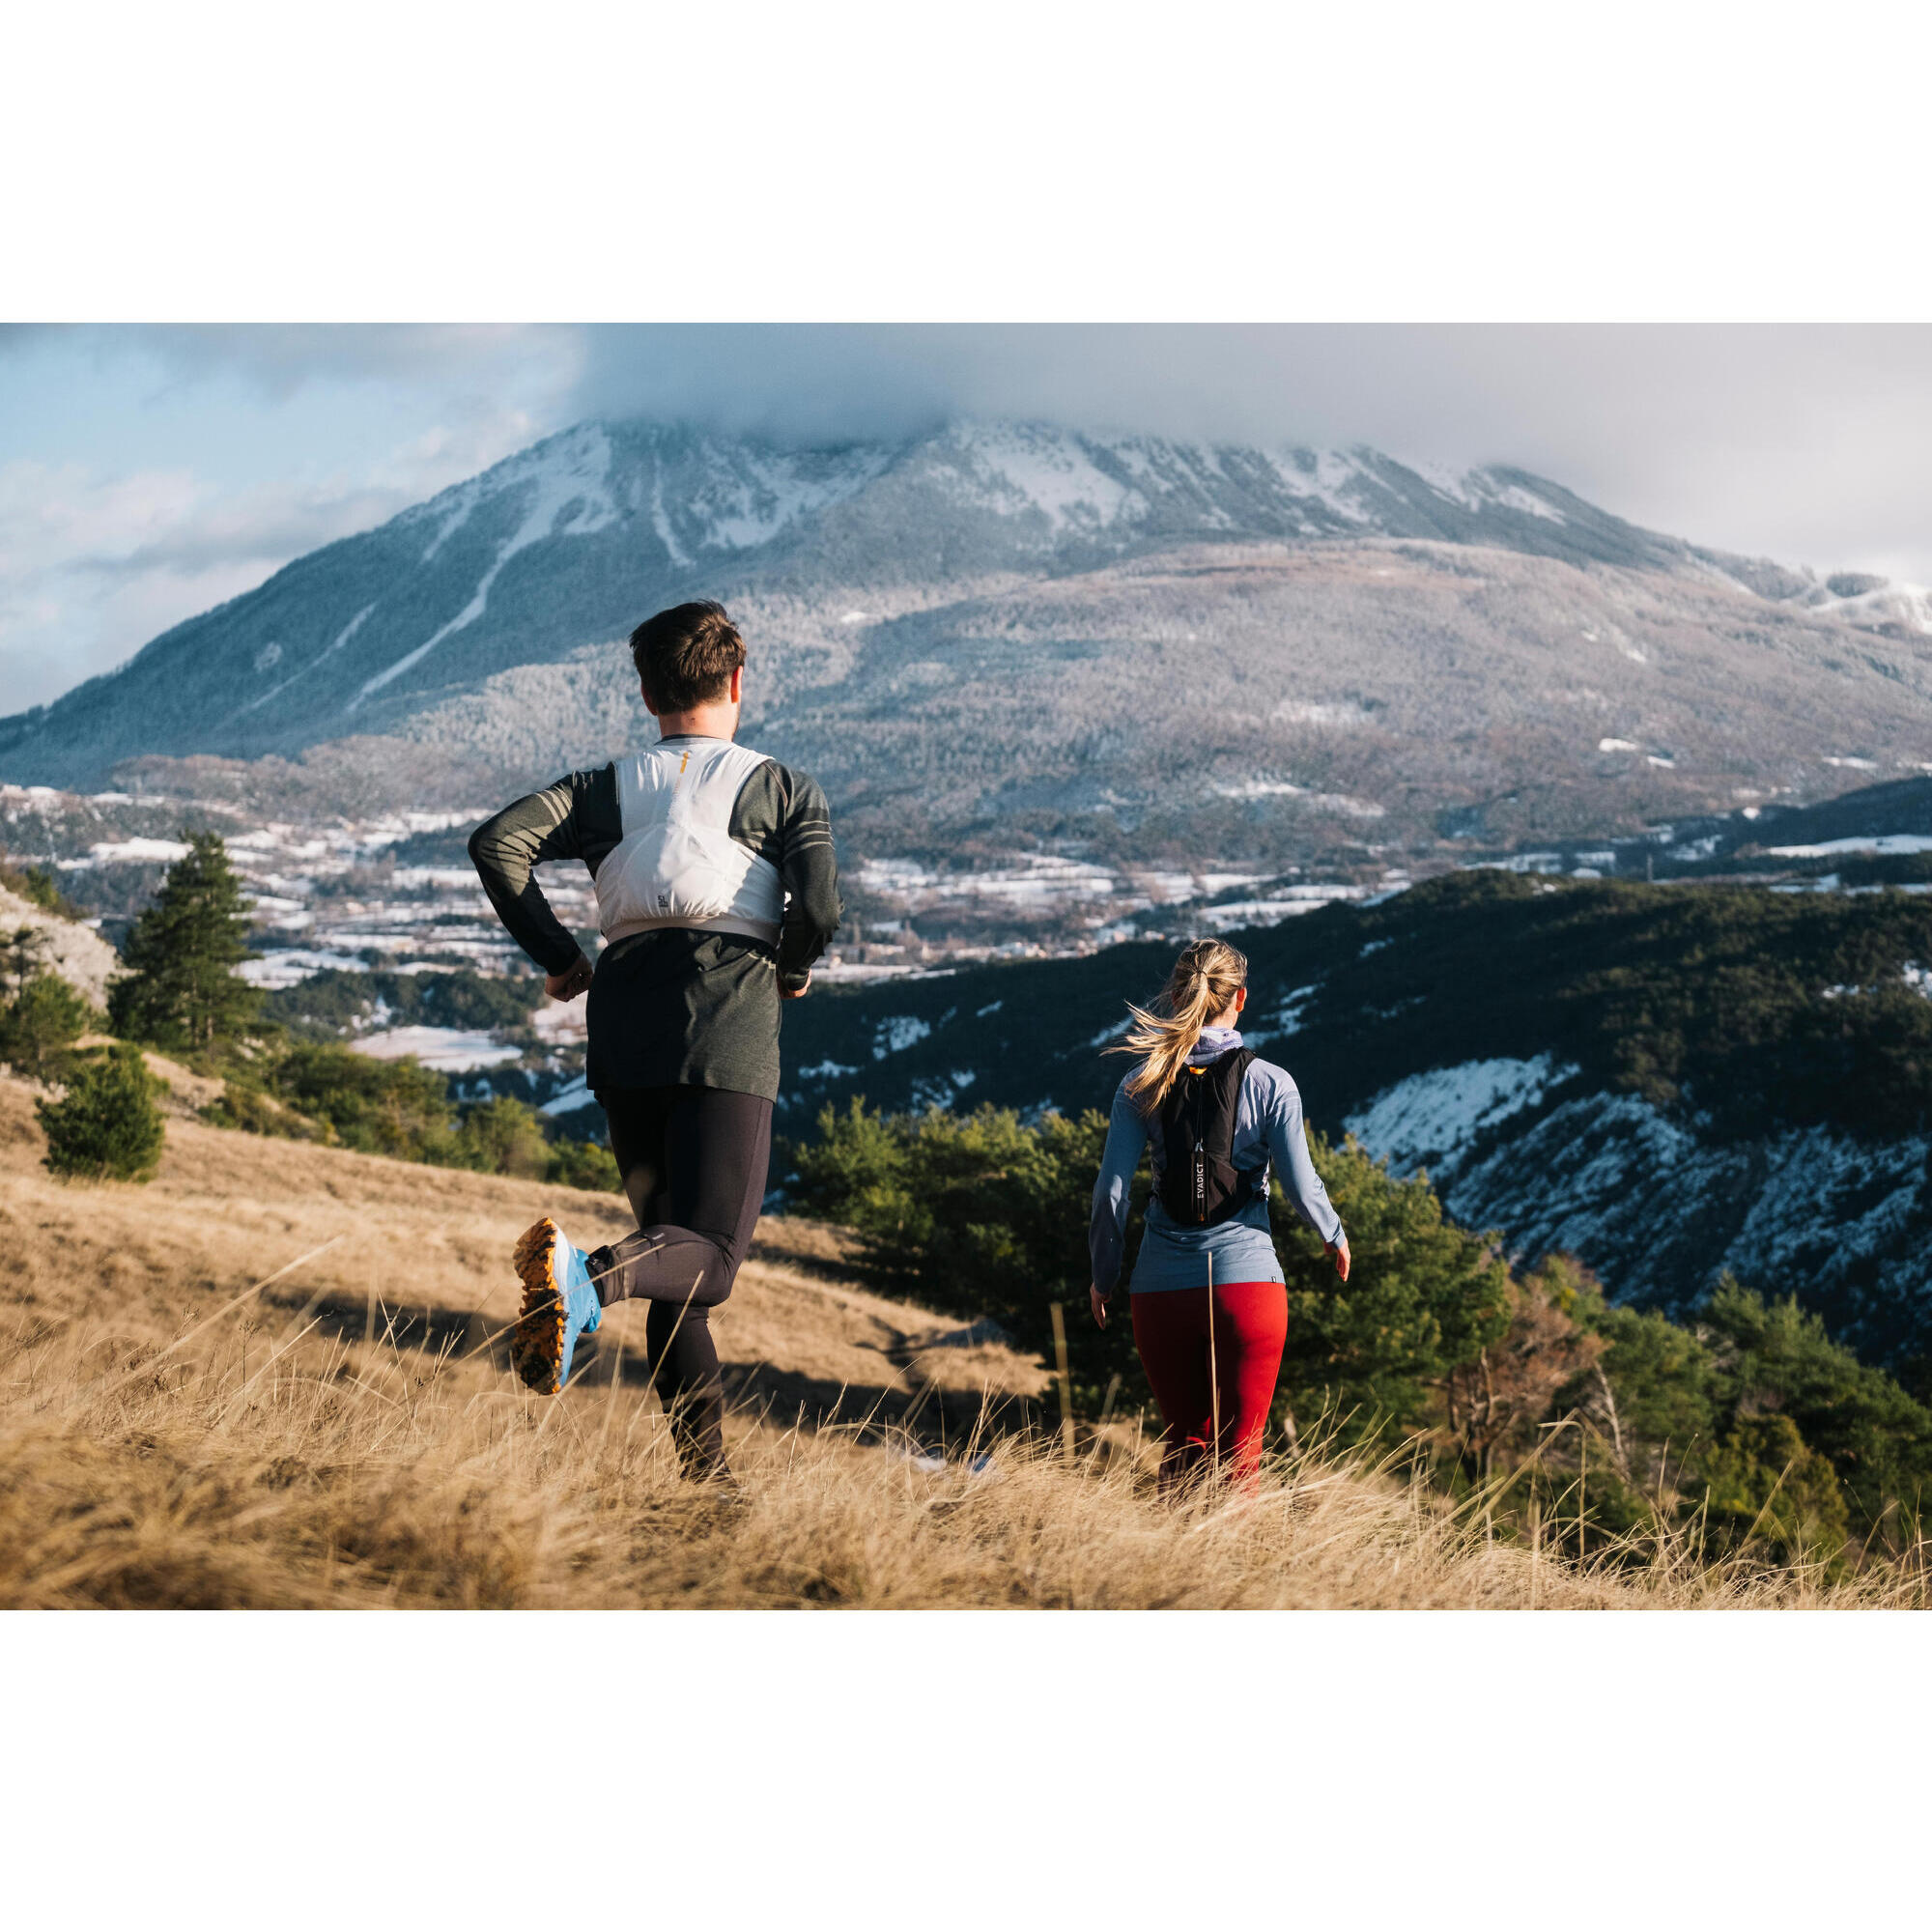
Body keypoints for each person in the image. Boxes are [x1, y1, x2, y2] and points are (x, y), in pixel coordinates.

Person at [469, 600, 841, 1482]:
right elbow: (820, 909)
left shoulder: (603, 786)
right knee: (706, 1262)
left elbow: (498, 845)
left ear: (646, 693)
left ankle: (706, 1489)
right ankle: (585, 1277)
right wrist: (790, 965)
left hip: (626, 1024)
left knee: (671, 1267)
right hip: (726, 1016)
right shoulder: (781, 786)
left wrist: (559, 957)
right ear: (738, 682)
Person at [1088, 937, 1349, 1492]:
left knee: (1184, 1450)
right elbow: (1303, 1187)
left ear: (1180, 996)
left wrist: (1104, 1276)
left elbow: (1111, 1192)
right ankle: (1236, 1574)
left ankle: (1167, 1572)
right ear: (1241, 998)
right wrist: (1333, 1233)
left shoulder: (1141, 1082)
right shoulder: (1272, 1082)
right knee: (1241, 1461)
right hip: (1248, 1286)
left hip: (1159, 1289)